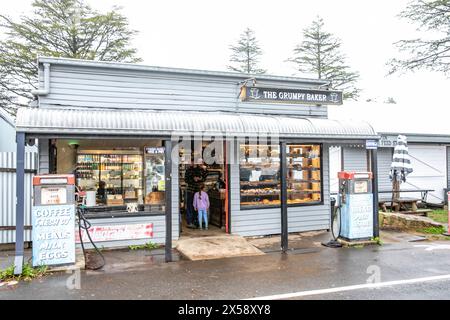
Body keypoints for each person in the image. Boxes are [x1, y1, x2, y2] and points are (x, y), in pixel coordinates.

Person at [184, 159, 208, 228]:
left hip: (198, 191)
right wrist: (193, 179)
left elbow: (204, 178)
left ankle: (196, 221)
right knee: (190, 206)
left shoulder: (201, 170)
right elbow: (186, 180)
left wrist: (204, 170)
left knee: (197, 206)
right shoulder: (189, 170)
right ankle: (190, 222)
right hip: (191, 190)